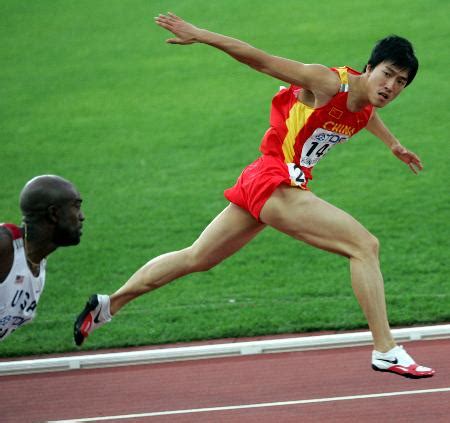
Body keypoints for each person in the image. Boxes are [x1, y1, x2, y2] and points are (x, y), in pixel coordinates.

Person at [74, 13, 434, 378]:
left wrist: (393, 144)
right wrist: (200, 35)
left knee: (197, 257)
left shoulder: (367, 101)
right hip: (275, 181)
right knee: (364, 246)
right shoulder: (326, 82)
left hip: (262, 179)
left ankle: (108, 305)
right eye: (387, 74)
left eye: (400, 82)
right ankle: (385, 349)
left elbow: (365, 114)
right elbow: (260, 59)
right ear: (369, 68)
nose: (390, 86)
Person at [0, 175, 84, 341]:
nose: (82, 216)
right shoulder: (5, 246)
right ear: (54, 213)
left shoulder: (36, 263)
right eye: (76, 207)